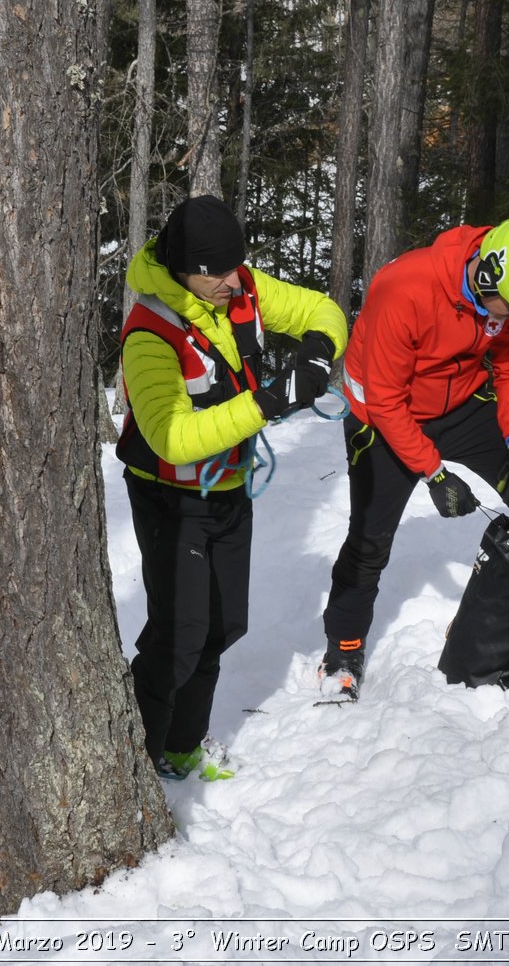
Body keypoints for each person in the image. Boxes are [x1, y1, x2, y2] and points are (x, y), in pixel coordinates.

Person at [118, 195, 348, 779]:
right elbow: (171, 437)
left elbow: (322, 310)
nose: (231, 281)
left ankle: (181, 745)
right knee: (179, 634)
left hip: (227, 488)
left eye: (235, 266)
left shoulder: (238, 284)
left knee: (223, 625)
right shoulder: (150, 331)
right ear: (182, 269)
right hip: (170, 499)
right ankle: (134, 762)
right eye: (215, 272)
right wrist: (268, 401)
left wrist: (317, 357)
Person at [317, 215, 509, 701]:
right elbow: (387, 399)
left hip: (461, 404)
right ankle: (342, 647)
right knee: (370, 539)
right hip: (382, 416)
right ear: (488, 271)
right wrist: (434, 474)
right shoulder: (406, 288)